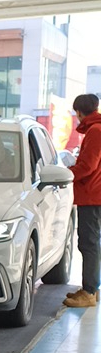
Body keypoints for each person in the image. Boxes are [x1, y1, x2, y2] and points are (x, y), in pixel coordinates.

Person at [64, 93, 101, 308]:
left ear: (78, 112)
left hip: (93, 196)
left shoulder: (95, 131)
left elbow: (88, 166)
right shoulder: (96, 128)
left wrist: (68, 173)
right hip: (95, 195)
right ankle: (92, 289)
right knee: (93, 243)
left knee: (89, 243)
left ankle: (89, 292)